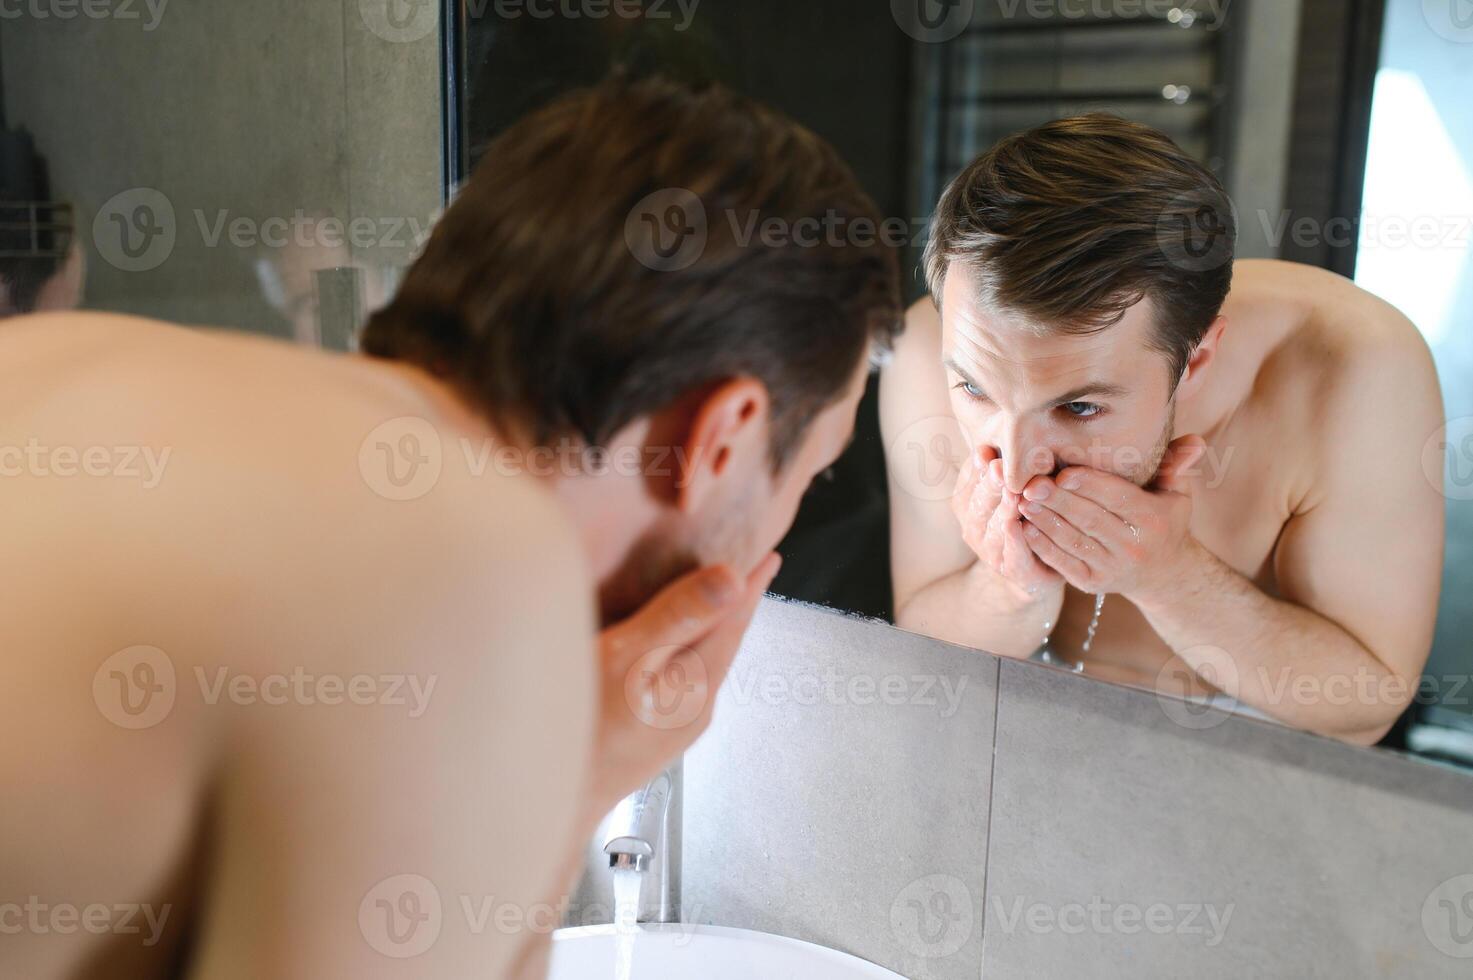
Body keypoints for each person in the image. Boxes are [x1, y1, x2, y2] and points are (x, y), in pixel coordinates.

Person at [0, 75, 900, 979]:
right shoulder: (464, 570)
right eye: (813, 472)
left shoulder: (75, 356)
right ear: (725, 438)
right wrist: (568, 780)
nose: (796, 515)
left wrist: (572, 772)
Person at [882, 114, 1443, 746]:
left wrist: (1172, 579)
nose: (1018, 470)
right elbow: (921, 655)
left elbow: (1365, 708)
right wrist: (1008, 589)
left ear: (1196, 360)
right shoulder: (927, 348)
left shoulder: (1355, 365)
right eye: (975, 390)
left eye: (1080, 408)